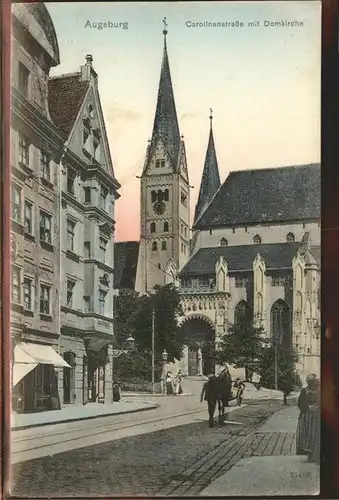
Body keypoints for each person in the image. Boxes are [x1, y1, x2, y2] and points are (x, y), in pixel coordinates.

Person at [296, 374, 320, 464]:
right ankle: (309, 457)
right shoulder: (304, 391)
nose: (311, 383)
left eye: (313, 381)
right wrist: (307, 408)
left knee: (316, 435)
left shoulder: (319, 391)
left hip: (317, 416)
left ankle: (316, 456)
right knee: (307, 435)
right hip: (306, 417)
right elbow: (300, 403)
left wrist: (317, 407)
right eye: (309, 382)